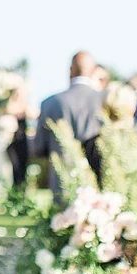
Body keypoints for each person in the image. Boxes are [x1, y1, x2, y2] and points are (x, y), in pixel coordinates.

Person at [33, 51, 104, 196]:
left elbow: (39, 147)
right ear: (93, 71)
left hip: (61, 182)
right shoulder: (104, 100)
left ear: (71, 70)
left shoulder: (50, 103)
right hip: (98, 183)